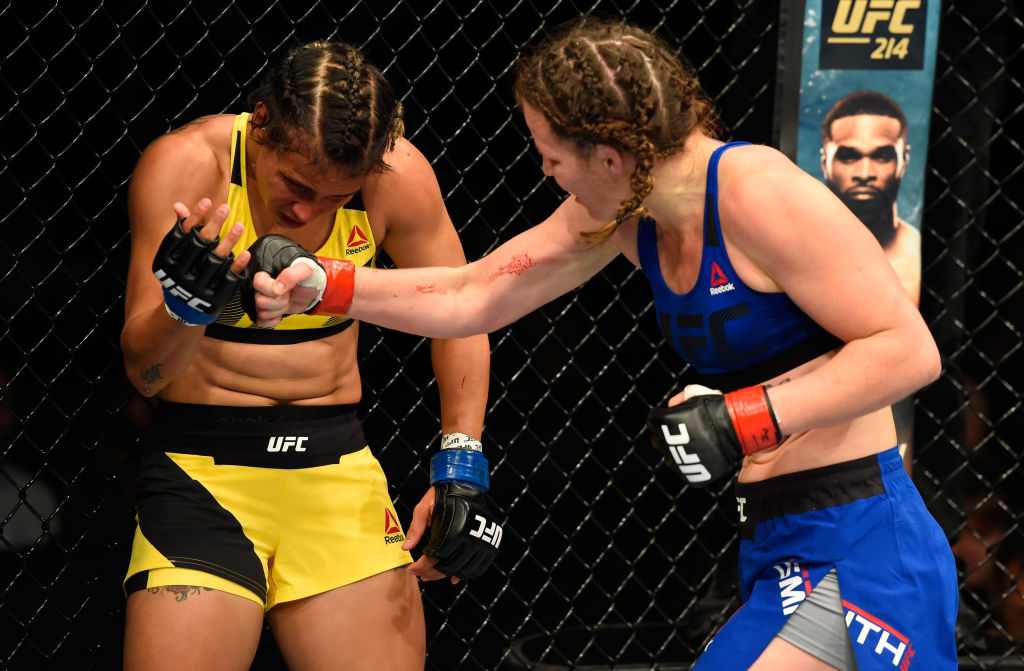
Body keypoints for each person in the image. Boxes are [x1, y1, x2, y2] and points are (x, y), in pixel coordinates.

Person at [246, 17, 959, 670]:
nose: (547, 172)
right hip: (777, 540)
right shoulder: (626, 213)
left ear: (612, 155)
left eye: (552, 155)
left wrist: (744, 416)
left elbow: (906, 348)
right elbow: (474, 293)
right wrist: (328, 284)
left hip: (864, 540)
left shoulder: (755, 192)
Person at [119, 40, 498, 671]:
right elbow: (145, 372)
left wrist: (463, 465)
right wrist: (186, 310)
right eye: (296, 184)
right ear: (261, 118)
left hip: (335, 473)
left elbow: (459, 313)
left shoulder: (396, 177)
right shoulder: (188, 166)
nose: (307, 210)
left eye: (334, 196)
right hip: (202, 475)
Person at [820, 90, 921, 305]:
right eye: (848, 157)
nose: (865, 174)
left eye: (882, 156)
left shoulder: (916, 251)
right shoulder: (796, 246)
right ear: (825, 162)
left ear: (904, 160)